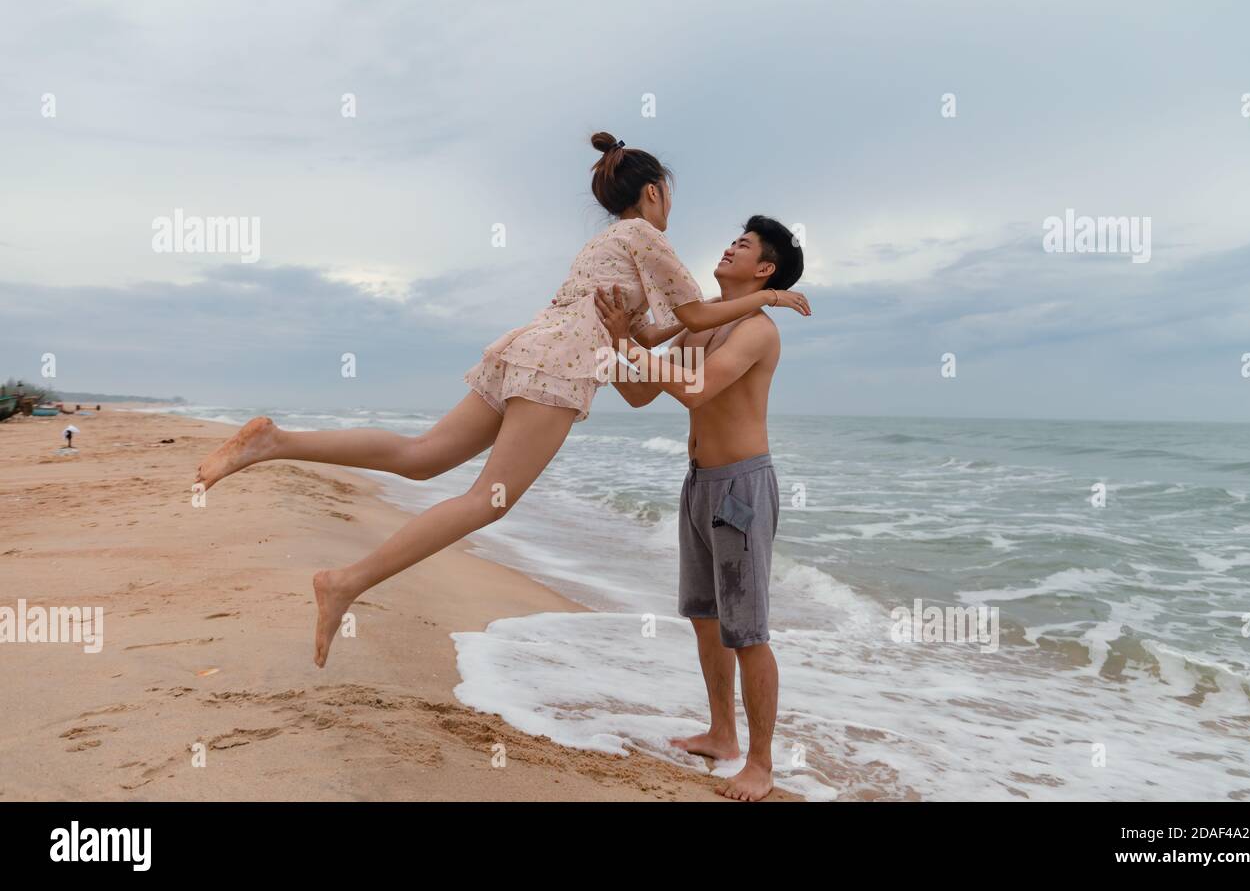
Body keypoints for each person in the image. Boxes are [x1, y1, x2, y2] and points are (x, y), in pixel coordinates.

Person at [194, 135, 811, 667]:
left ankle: (274, 442)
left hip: (528, 346)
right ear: (652, 193)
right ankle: (345, 582)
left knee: (422, 455)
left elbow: (644, 345)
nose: (672, 206)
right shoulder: (646, 238)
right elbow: (698, 312)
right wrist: (769, 299)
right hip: (561, 365)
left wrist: (641, 335)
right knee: (486, 501)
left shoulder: (611, 245)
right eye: (668, 193)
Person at [594, 215, 803, 802]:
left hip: (741, 488)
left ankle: (760, 765)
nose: (730, 246)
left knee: (748, 632)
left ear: (765, 270)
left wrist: (628, 345)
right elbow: (638, 393)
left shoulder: (757, 330)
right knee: (706, 619)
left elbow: (694, 390)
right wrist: (617, 342)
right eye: (732, 239)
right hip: (698, 481)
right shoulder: (699, 325)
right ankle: (721, 735)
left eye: (744, 245)